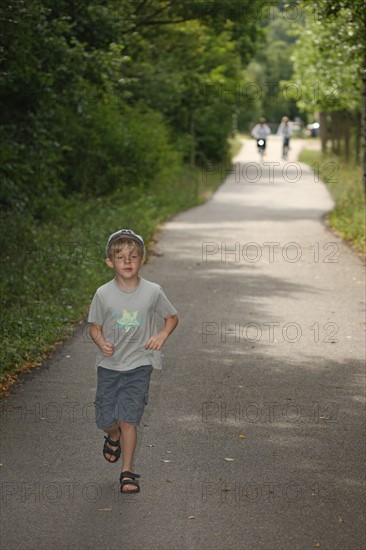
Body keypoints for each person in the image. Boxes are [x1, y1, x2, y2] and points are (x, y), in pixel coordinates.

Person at [88, 229, 178, 494]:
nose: (127, 261)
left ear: (142, 259)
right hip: (109, 366)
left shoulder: (153, 291)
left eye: (133, 256)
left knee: (129, 419)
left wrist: (162, 335)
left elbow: (172, 317)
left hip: (140, 364)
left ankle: (126, 472)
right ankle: (112, 436)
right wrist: (101, 341)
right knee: (106, 419)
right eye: (120, 257)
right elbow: (94, 326)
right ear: (109, 262)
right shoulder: (103, 294)